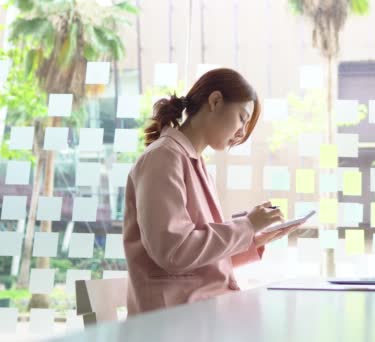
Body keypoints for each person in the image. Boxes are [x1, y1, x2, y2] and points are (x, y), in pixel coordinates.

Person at [123, 68, 300, 315]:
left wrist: (252, 239)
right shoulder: (163, 159)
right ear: (215, 101)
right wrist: (246, 226)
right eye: (242, 117)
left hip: (200, 310)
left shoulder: (192, 161)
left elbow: (195, 259)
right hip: (174, 320)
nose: (242, 132)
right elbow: (174, 252)